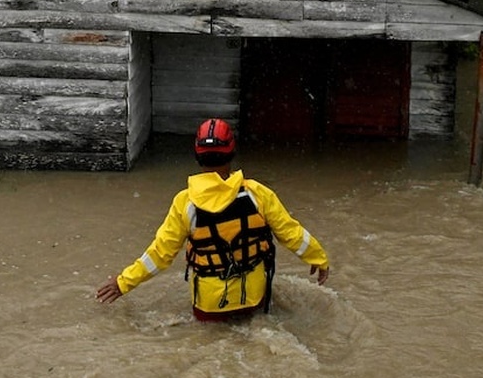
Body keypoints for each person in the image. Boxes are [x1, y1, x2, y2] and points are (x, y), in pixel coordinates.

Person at [95, 117, 330, 321]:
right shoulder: (258, 194)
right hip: (253, 299)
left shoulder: (185, 204)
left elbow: (159, 255)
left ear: (197, 155)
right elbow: (292, 233)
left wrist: (123, 282)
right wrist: (318, 257)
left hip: (209, 306)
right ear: (232, 152)